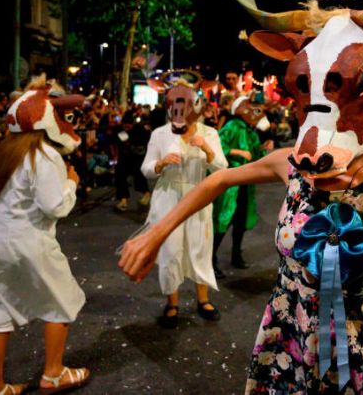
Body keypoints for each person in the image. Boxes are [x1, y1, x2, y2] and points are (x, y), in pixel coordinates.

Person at [120, 0, 363, 391]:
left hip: (361, 357)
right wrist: (155, 232)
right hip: (287, 341)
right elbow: (220, 178)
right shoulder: (292, 166)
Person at [0, 88, 90, 395]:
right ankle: (53, 374)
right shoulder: (45, 155)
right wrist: (71, 183)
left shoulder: (6, 149)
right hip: (29, 242)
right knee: (63, 301)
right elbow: (54, 206)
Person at [141, 84, 227, 326]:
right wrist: (160, 163)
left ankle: (203, 300)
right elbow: (146, 168)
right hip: (168, 198)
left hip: (198, 196)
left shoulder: (210, 133)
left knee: (200, 247)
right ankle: (172, 303)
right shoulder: (160, 134)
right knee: (171, 251)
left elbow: (222, 168)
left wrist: (207, 149)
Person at [211, 96, 272, 276]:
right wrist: (237, 151)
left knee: (240, 221)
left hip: (244, 182)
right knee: (223, 219)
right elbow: (217, 147)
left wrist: (261, 148)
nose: (250, 108)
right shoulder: (232, 127)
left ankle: (236, 255)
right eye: (246, 105)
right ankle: (211, 259)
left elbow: (253, 154)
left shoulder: (249, 130)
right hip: (231, 182)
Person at [113, 112, 151, 211]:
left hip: (137, 158)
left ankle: (146, 194)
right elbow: (115, 144)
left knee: (139, 174)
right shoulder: (119, 130)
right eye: (125, 124)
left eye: (129, 124)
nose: (127, 126)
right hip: (124, 158)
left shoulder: (140, 129)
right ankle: (123, 200)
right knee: (119, 173)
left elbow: (145, 144)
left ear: (133, 124)